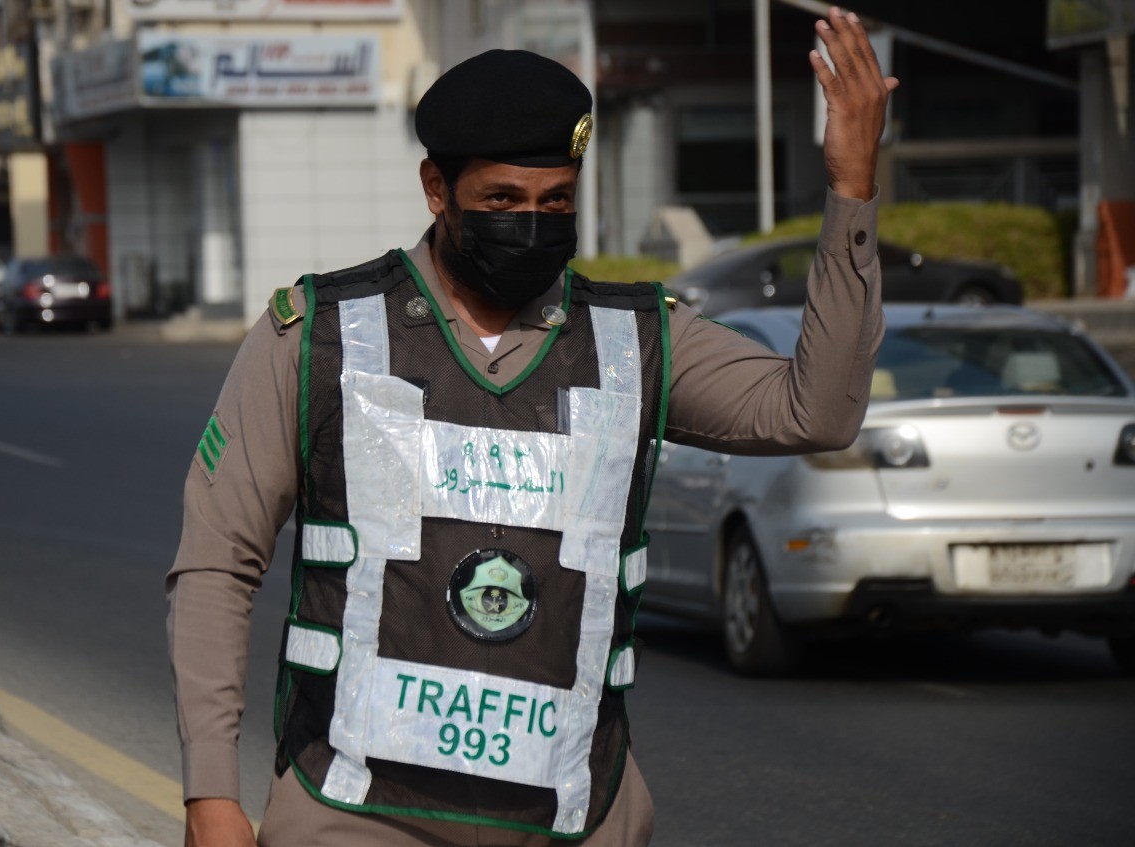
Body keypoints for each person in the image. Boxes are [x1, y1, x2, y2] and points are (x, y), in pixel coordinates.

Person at [168, 8, 897, 846]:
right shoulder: (319, 337)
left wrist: (851, 192)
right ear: (436, 189)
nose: (532, 223)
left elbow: (819, 410)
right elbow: (216, 562)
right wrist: (210, 792)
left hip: (573, 819)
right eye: (502, 200)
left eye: (556, 202)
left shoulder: (634, 339)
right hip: (358, 817)